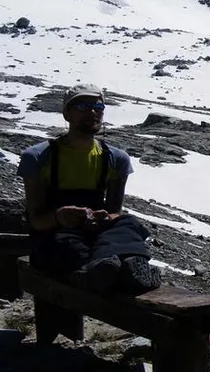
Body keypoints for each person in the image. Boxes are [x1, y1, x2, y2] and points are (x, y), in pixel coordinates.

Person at [16, 83, 161, 294]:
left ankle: (109, 267)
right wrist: (59, 218)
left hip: (93, 233)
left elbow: (114, 212)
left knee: (128, 223)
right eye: (83, 106)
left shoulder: (115, 159)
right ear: (66, 114)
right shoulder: (38, 157)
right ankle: (119, 267)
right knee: (65, 246)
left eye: (98, 107)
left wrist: (103, 218)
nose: (93, 112)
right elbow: (36, 219)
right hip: (55, 233)